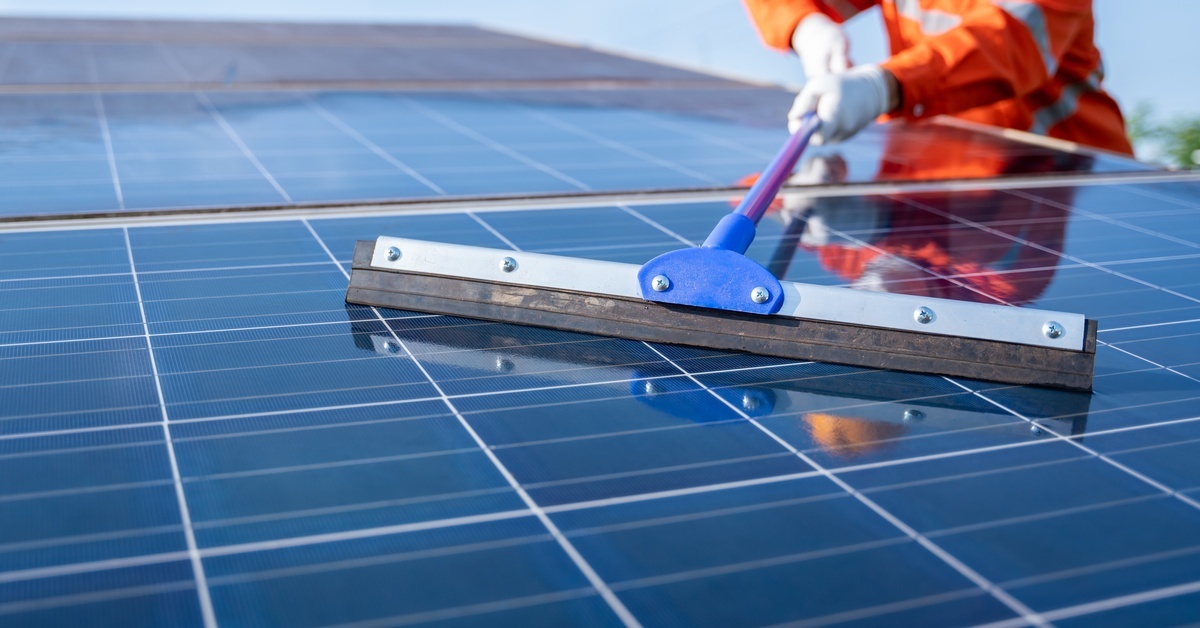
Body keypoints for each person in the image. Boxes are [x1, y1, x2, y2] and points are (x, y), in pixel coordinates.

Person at [742, 0, 1134, 155]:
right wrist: (804, 24)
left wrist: (887, 85)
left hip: (1068, 175)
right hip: (934, 171)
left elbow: (1004, 41)